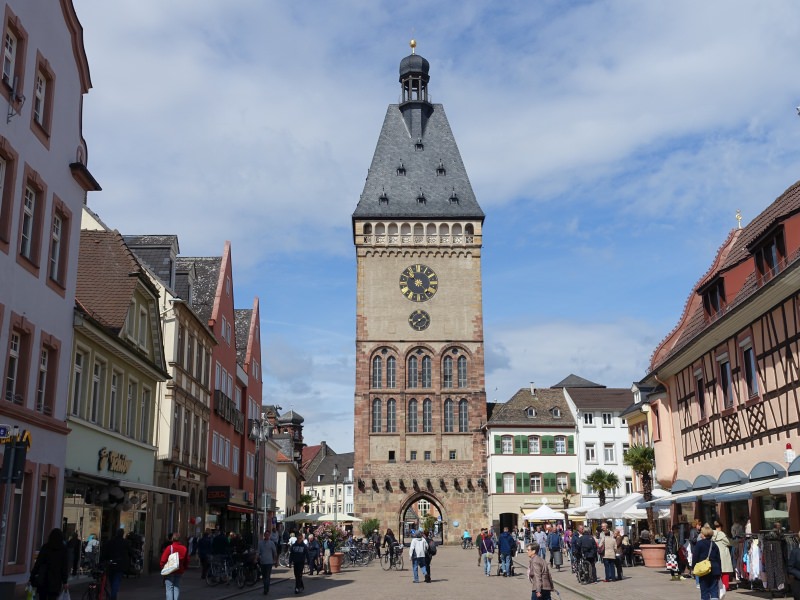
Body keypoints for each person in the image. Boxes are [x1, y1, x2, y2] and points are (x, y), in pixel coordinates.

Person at [30, 528, 69, 600]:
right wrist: (65, 581)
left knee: (42, 597)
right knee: (53, 597)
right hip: (56, 579)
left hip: (44, 578)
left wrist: (32, 575)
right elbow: (64, 567)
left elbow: (38, 563)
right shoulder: (63, 549)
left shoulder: (46, 547)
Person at [101, 528, 130, 600]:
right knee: (116, 581)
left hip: (111, 564)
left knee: (112, 580)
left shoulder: (110, 542)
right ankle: (113, 596)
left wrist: (103, 560)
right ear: (122, 534)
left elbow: (104, 552)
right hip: (120, 564)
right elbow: (130, 552)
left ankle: (113, 594)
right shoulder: (125, 542)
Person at [694, 524, 721, 600]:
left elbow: (695, 557)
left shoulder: (699, 544)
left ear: (704, 534)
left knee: (704, 590)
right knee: (714, 590)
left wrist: (694, 567)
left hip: (703, 569)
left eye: (701, 533)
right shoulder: (714, 544)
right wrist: (720, 571)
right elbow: (718, 558)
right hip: (715, 569)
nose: (700, 534)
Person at [159, 532, 189, 600]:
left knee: (169, 588)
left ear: (172, 539)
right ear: (179, 539)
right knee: (176, 587)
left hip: (170, 570)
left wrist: (162, 567)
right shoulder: (184, 548)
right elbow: (187, 560)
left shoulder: (170, 548)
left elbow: (163, 559)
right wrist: (184, 568)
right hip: (179, 570)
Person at [712, 521, 733, 591]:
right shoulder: (722, 534)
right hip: (723, 553)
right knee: (725, 570)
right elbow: (728, 542)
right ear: (720, 527)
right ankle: (725, 586)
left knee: (718, 571)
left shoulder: (711, 534)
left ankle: (718, 585)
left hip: (715, 553)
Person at [257, 530, 278, 596]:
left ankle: (266, 589)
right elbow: (258, 552)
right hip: (262, 562)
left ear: (269, 535)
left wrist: (276, 561)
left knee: (267, 576)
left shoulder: (271, 543)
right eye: (265, 534)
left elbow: (275, 553)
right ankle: (266, 587)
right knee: (264, 576)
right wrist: (256, 558)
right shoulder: (260, 543)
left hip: (269, 562)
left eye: (268, 535)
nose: (267, 536)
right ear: (264, 535)